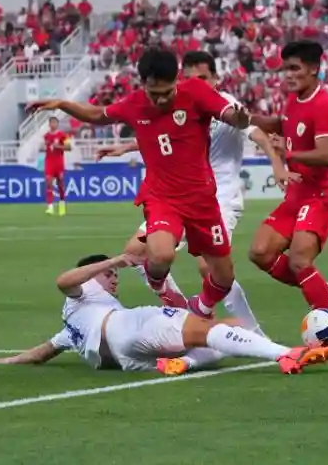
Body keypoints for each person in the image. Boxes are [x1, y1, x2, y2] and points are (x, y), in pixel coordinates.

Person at [26, 49, 251, 319]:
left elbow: (230, 115)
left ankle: (198, 308)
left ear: (177, 80)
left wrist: (240, 119)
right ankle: (159, 283)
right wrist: (63, 104)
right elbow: (98, 115)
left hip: (202, 200)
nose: (161, 99)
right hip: (162, 198)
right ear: (143, 83)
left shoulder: (196, 91)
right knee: (160, 256)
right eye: (154, 93)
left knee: (223, 278)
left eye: (167, 92)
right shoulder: (134, 104)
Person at [95, 50, 285, 329]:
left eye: (204, 77)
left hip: (219, 196)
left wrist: (277, 165)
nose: (199, 82)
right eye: (193, 77)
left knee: (209, 268)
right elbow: (167, 137)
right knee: (136, 251)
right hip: (178, 194)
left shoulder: (226, 105)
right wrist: (126, 146)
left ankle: (252, 331)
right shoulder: (182, 101)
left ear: (216, 79)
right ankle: (182, 312)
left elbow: (257, 133)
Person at [0, 253, 328, 375]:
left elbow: (44, 351)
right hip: (126, 329)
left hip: (125, 360)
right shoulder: (84, 292)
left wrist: (6, 362)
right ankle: (284, 354)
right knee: (207, 332)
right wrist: (113, 261)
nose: (114, 279)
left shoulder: (73, 323)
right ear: (93, 276)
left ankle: (189, 364)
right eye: (109, 276)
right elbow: (63, 279)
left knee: (221, 333)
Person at [247, 41, 328, 337]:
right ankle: (324, 290)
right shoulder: (294, 100)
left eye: (295, 68)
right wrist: (249, 119)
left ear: (314, 69)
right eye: (285, 69)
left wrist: (288, 154)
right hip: (296, 196)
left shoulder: (323, 104)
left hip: (320, 197)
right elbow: (280, 123)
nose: (288, 75)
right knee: (259, 252)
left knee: (299, 260)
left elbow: (326, 154)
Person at [43, 116, 71, 216]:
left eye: (55, 123)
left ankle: (62, 204)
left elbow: (69, 147)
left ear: (57, 124)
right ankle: (50, 207)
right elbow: (44, 147)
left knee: (60, 184)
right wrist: (42, 147)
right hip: (49, 162)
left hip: (59, 162)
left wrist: (58, 146)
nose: (53, 125)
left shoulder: (63, 135)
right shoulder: (46, 136)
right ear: (49, 124)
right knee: (48, 182)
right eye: (52, 123)